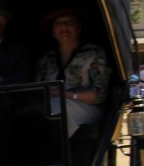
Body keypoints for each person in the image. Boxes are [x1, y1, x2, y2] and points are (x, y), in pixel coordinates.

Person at [34, 8, 109, 137]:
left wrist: (64, 94)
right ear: (53, 31)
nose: (64, 26)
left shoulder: (94, 53)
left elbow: (99, 95)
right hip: (50, 105)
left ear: (79, 29)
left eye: (69, 22)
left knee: (56, 108)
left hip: (87, 107)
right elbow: (36, 91)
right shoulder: (46, 60)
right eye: (59, 23)